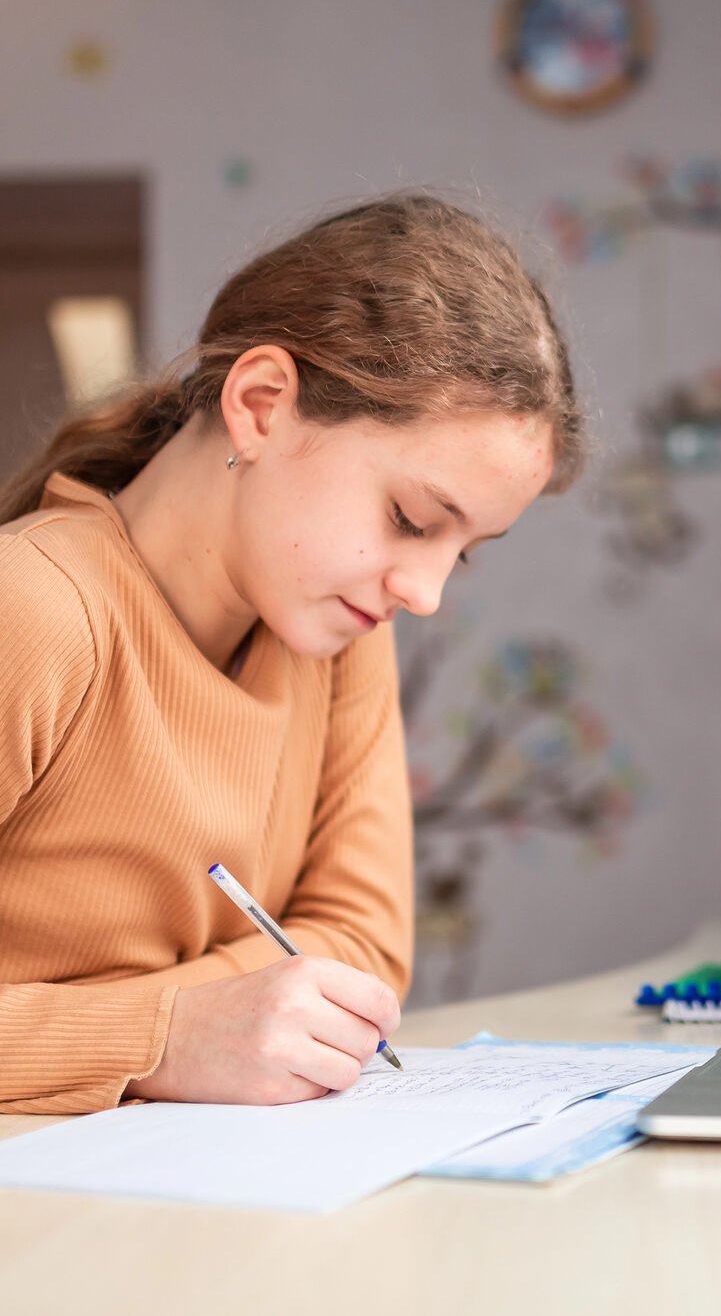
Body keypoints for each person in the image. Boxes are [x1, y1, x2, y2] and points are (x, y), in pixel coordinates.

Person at [0, 192, 585, 1114]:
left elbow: (362, 945)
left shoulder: (335, 631)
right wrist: (164, 1036)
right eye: (410, 519)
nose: (424, 593)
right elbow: (290, 983)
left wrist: (171, 1024)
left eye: (462, 551)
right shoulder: (33, 609)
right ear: (261, 405)